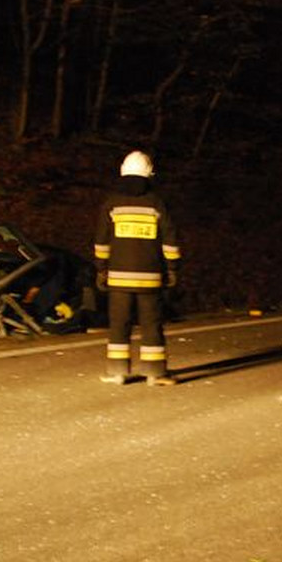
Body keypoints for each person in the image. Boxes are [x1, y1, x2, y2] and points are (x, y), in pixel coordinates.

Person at [94, 149, 181, 386]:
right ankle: (155, 373)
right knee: (151, 324)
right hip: (150, 278)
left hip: (119, 278)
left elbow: (102, 240)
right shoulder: (156, 203)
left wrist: (101, 268)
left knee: (119, 324)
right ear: (149, 174)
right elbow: (170, 239)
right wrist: (172, 268)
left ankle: (117, 372)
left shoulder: (112, 204)